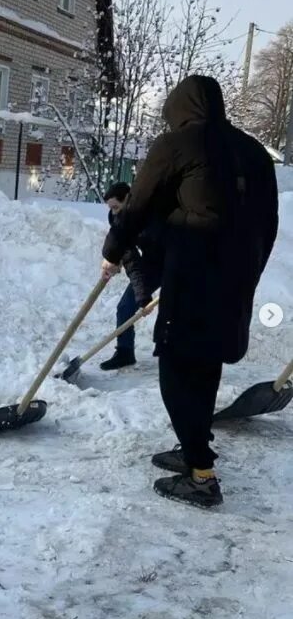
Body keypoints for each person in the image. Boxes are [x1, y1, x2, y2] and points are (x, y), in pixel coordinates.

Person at [101, 75, 278, 509]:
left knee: (177, 370)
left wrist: (113, 252)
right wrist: (250, 271)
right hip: (236, 277)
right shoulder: (254, 151)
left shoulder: (177, 144)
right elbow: (268, 222)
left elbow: (138, 204)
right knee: (206, 362)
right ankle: (193, 444)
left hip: (194, 273)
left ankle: (201, 475)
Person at [99, 181, 165, 371]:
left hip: (174, 263)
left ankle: (173, 352)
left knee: (175, 308)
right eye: (111, 208)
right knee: (125, 306)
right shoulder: (119, 220)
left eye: (116, 207)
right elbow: (131, 260)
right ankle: (125, 352)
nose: (114, 213)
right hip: (152, 263)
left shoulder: (153, 216)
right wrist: (142, 295)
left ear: (128, 200)